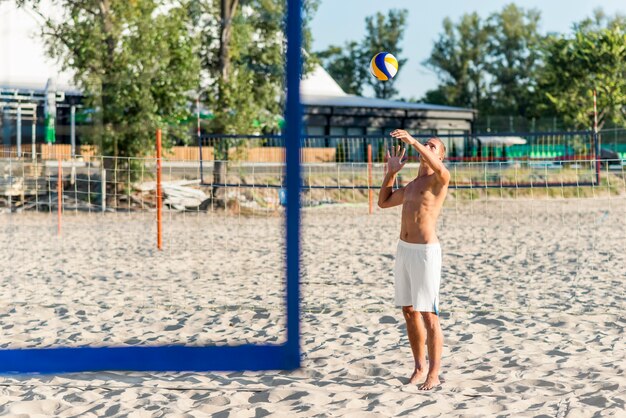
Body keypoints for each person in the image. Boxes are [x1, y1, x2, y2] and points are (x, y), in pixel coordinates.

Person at [378, 129, 450, 390]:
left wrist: (414, 142)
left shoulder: (440, 179)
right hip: (404, 249)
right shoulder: (411, 186)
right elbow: (383, 202)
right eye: (426, 145)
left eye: (433, 147)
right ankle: (419, 367)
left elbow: (436, 165)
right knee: (409, 311)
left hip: (425, 253)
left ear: (441, 156)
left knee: (429, 315)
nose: (427, 148)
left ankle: (434, 372)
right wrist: (391, 172)